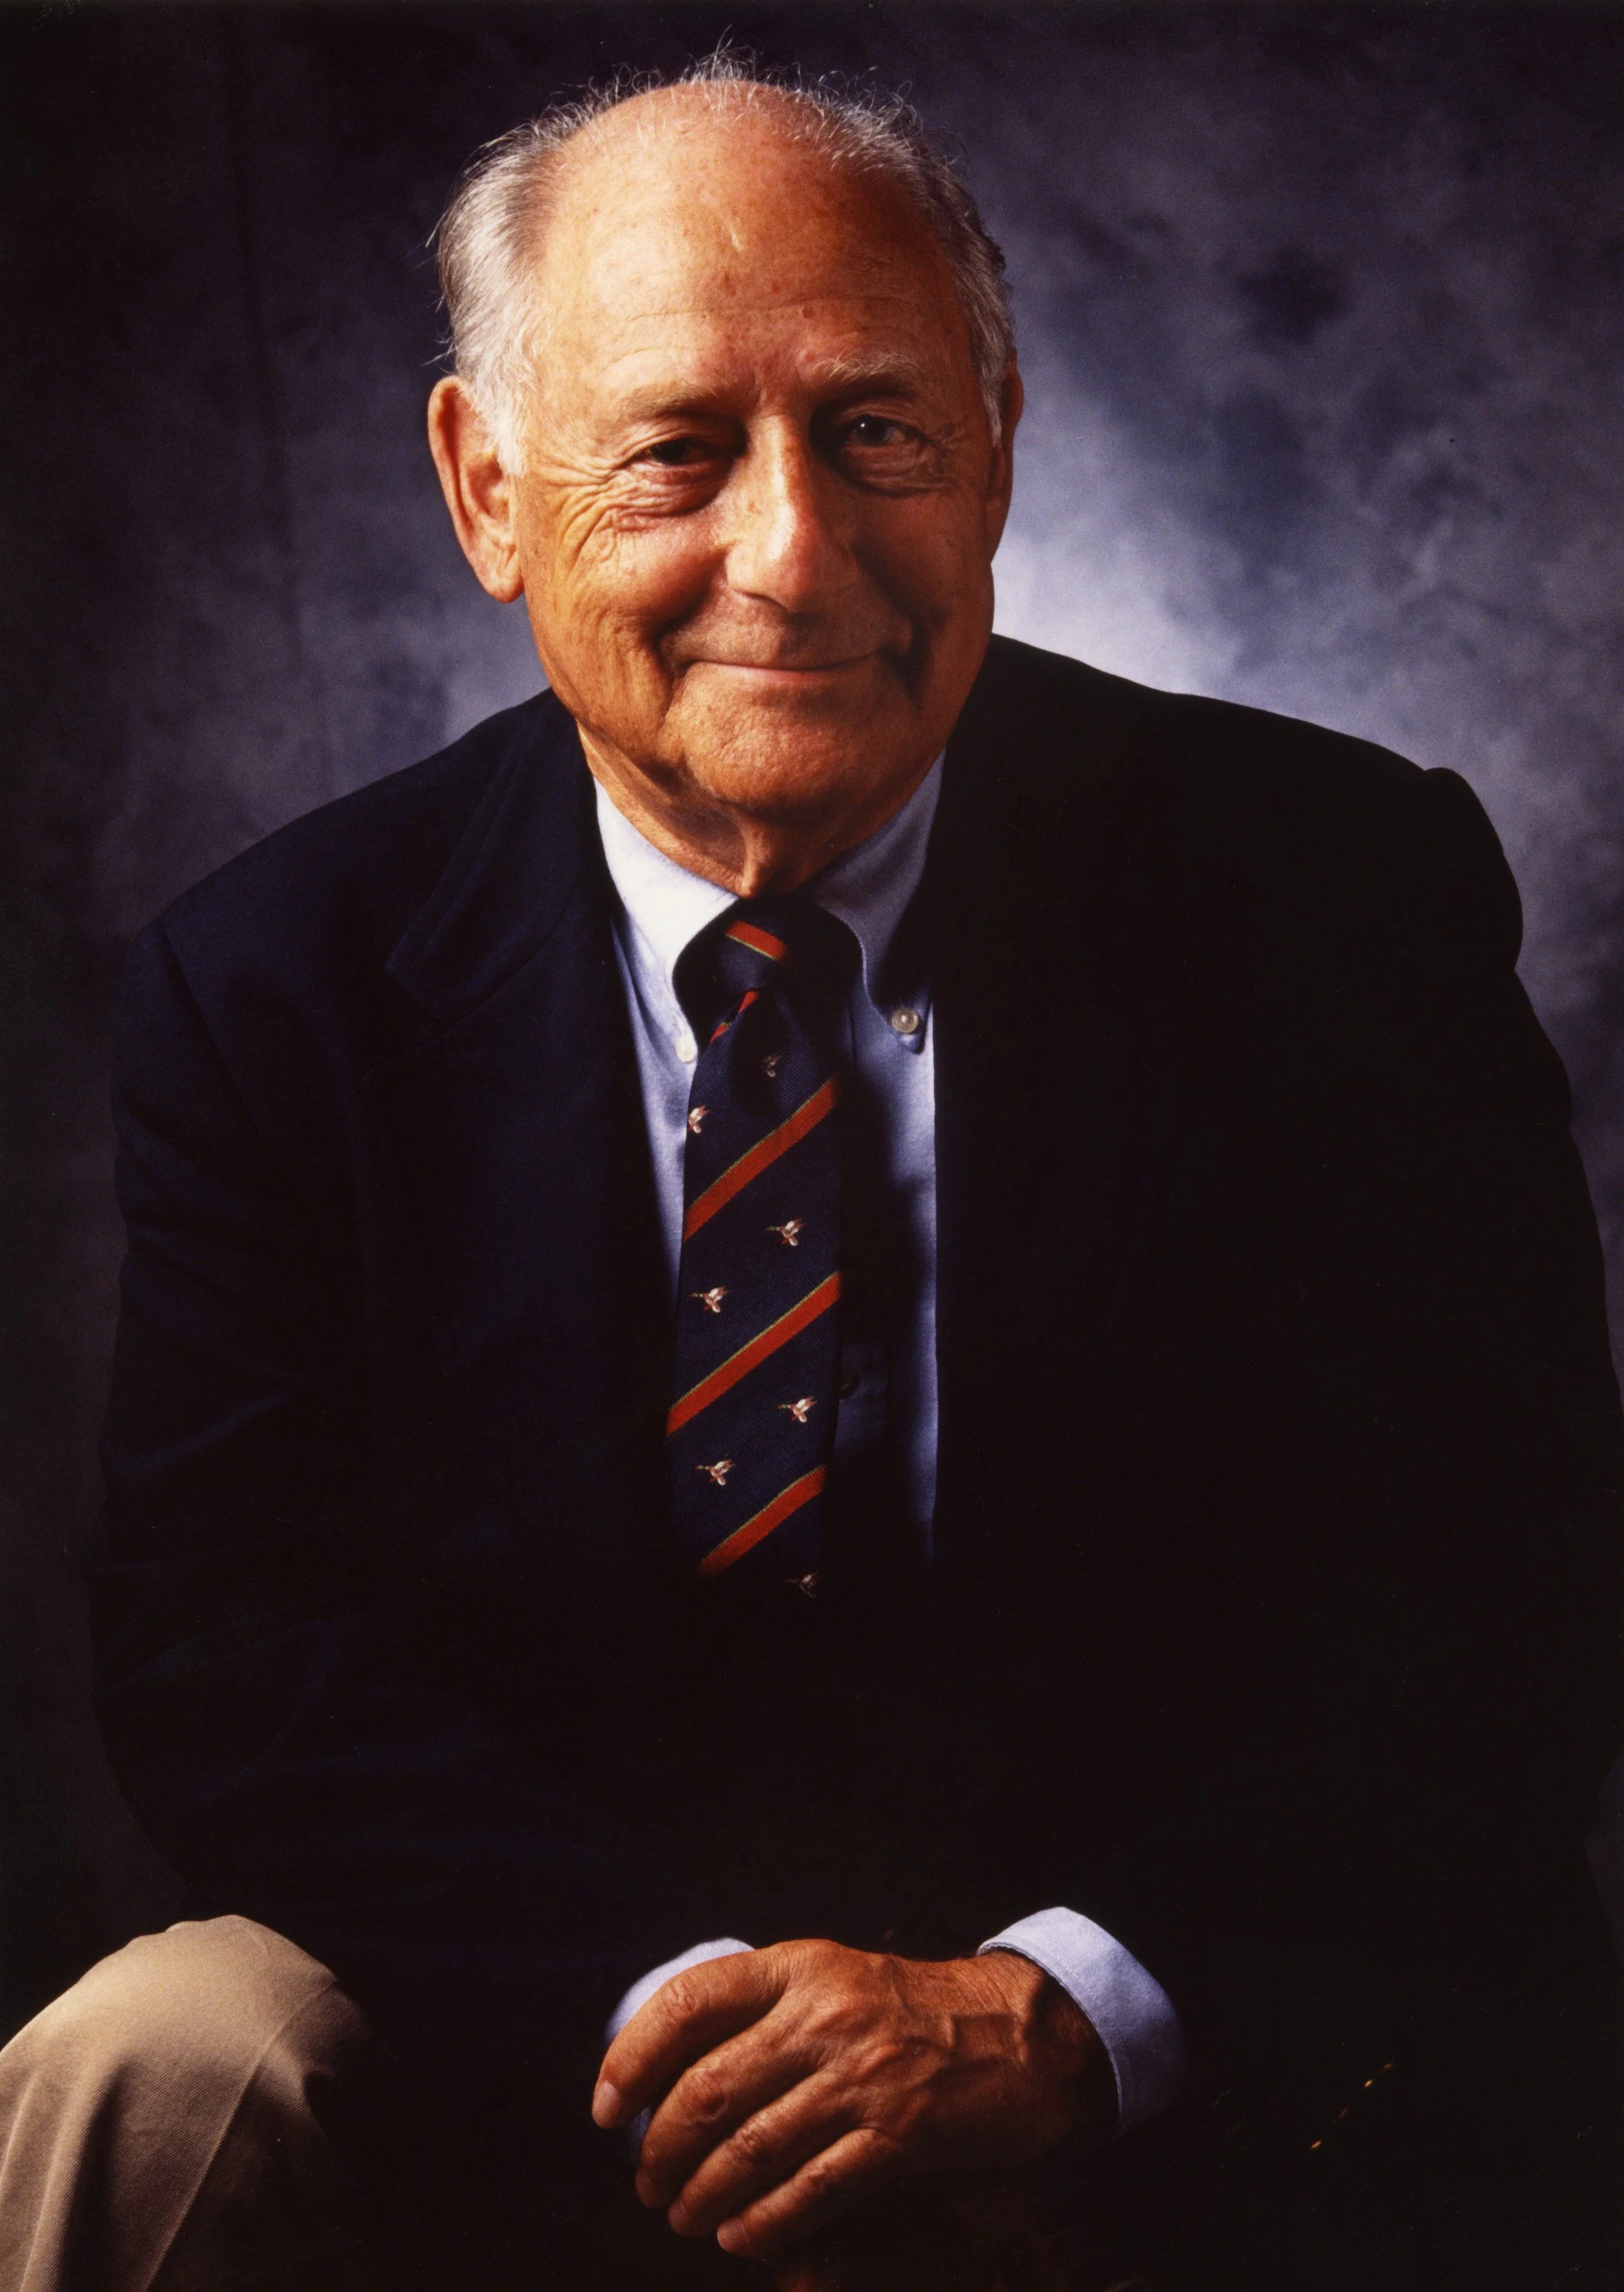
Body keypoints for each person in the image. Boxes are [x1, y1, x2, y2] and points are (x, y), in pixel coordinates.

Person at [0, 55, 1617, 2292]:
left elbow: (1501, 1597)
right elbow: (231, 1649)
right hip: (544, 1996)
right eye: (677, 445)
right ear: (486, 490)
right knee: (152, 2060)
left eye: (876, 430)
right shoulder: (277, 979)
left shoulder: (1331, 889)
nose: (793, 551)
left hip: (1151, 2008)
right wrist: (677, 2018)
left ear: (997, 450)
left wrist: (1055, 2009)